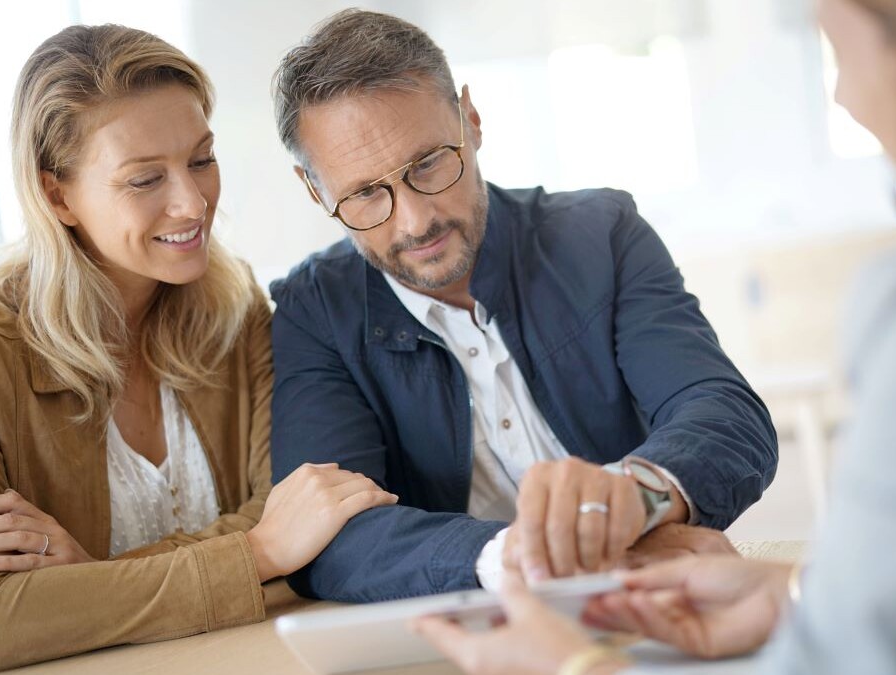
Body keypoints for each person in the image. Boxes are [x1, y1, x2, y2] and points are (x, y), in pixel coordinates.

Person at [412, 0, 896, 672]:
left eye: (837, 46)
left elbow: (726, 416)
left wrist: (577, 664)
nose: (844, 97)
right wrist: (798, 594)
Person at [0, 25, 397, 674]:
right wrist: (255, 553)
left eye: (201, 158)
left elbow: (304, 536)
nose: (193, 203)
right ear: (57, 194)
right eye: (144, 180)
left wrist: (90, 580)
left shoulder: (240, 314)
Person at [267, 8, 778, 603]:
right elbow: (330, 538)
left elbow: (723, 413)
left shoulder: (604, 233)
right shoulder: (313, 309)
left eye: (429, 162)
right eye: (363, 193)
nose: (415, 220)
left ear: (471, 119)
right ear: (315, 189)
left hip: (652, 596)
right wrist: (516, 558)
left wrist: (633, 502)